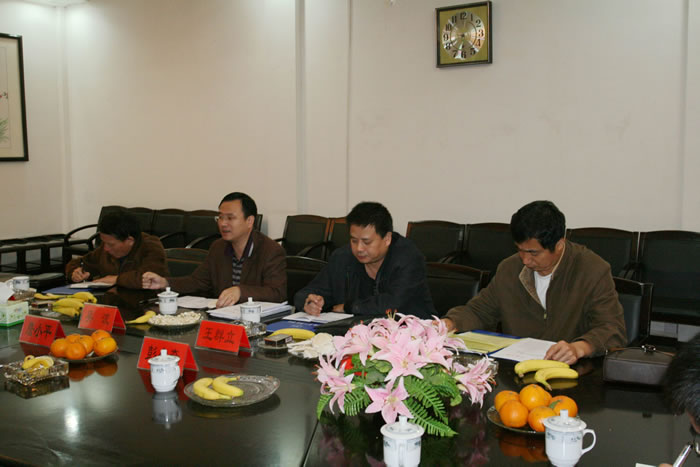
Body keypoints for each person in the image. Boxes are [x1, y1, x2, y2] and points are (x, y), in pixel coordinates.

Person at [443, 200, 627, 364]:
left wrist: (579, 348)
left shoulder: (592, 270)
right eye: (520, 250)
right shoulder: (510, 268)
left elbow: (612, 329)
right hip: (515, 369)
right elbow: (479, 311)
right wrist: (449, 323)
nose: (525, 260)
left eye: (533, 253)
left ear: (559, 245)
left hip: (573, 372)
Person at [142, 192, 286, 307]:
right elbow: (198, 281)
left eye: (230, 218)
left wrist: (240, 291)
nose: (223, 224)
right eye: (220, 218)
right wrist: (165, 283)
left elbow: (277, 293)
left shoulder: (270, 250)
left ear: (249, 221)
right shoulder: (218, 247)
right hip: (223, 317)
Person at [294, 201, 435, 319]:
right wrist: (309, 302)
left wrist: (349, 307)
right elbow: (305, 293)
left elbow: (393, 303)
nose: (359, 248)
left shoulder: (409, 258)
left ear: (387, 239)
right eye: (354, 241)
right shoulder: (342, 257)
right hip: (354, 333)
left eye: (367, 242)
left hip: (409, 334)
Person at [65, 211, 167, 289]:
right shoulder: (106, 248)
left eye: (111, 244)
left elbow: (150, 278)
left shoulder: (150, 246)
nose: (105, 248)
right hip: (111, 300)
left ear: (130, 240)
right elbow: (79, 262)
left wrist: (117, 279)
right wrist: (75, 272)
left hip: (143, 302)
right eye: (103, 242)